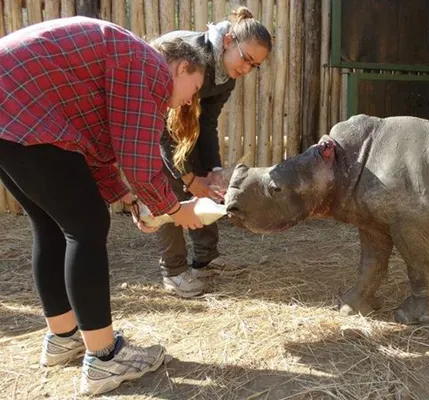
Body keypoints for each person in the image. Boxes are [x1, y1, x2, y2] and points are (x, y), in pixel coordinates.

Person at [0, 16, 208, 395]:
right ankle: (105, 359)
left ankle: (64, 337)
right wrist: (177, 211)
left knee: (51, 224)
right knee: (87, 226)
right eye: (194, 88)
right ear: (181, 67)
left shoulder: (126, 61)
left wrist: (128, 197)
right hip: (23, 106)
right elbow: (137, 162)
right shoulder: (149, 67)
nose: (190, 100)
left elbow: (98, 151)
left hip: (12, 109)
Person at [151, 7, 272, 298]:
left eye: (254, 66)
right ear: (229, 40)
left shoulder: (227, 74)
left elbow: (206, 123)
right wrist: (188, 178)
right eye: (246, 59)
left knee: (208, 184)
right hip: (157, 123)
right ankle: (174, 271)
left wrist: (213, 171)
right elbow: (165, 131)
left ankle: (205, 259)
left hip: (185, 127)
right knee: (172, 189)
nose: (246, 69)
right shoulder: (192, 56)